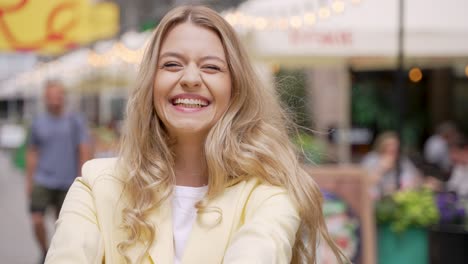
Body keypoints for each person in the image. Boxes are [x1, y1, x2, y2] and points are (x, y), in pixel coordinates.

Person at [45, 5, 347, 264]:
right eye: (172, 64)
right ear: (151, 83)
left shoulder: (269, 195)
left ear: (235, 88)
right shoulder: (95, 187)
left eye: (211, 67)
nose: (190, 79)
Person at [26, 80, 90, 262]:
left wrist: (82, 179)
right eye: (51, 95)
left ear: (63, 97)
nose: (55, 99)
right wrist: (29, 182)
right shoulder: (38, 123)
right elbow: (32, 152)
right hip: (43, 180)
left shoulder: (74, 121)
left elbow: (83, 149)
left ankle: (56, 256)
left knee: (62, 225)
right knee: (37, 220)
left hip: (67, 181)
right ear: (45, 98)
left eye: (58, 95)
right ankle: (45, 251)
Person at [361, 131, 421, 199]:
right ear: (382, 145)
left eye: (395, 145)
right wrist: (381, 169)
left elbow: (415, 177)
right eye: (389, 145)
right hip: (376, 198)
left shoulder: (401, 161)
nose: (393, 147)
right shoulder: (372, 159)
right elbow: (364, 183)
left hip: (398, 197)